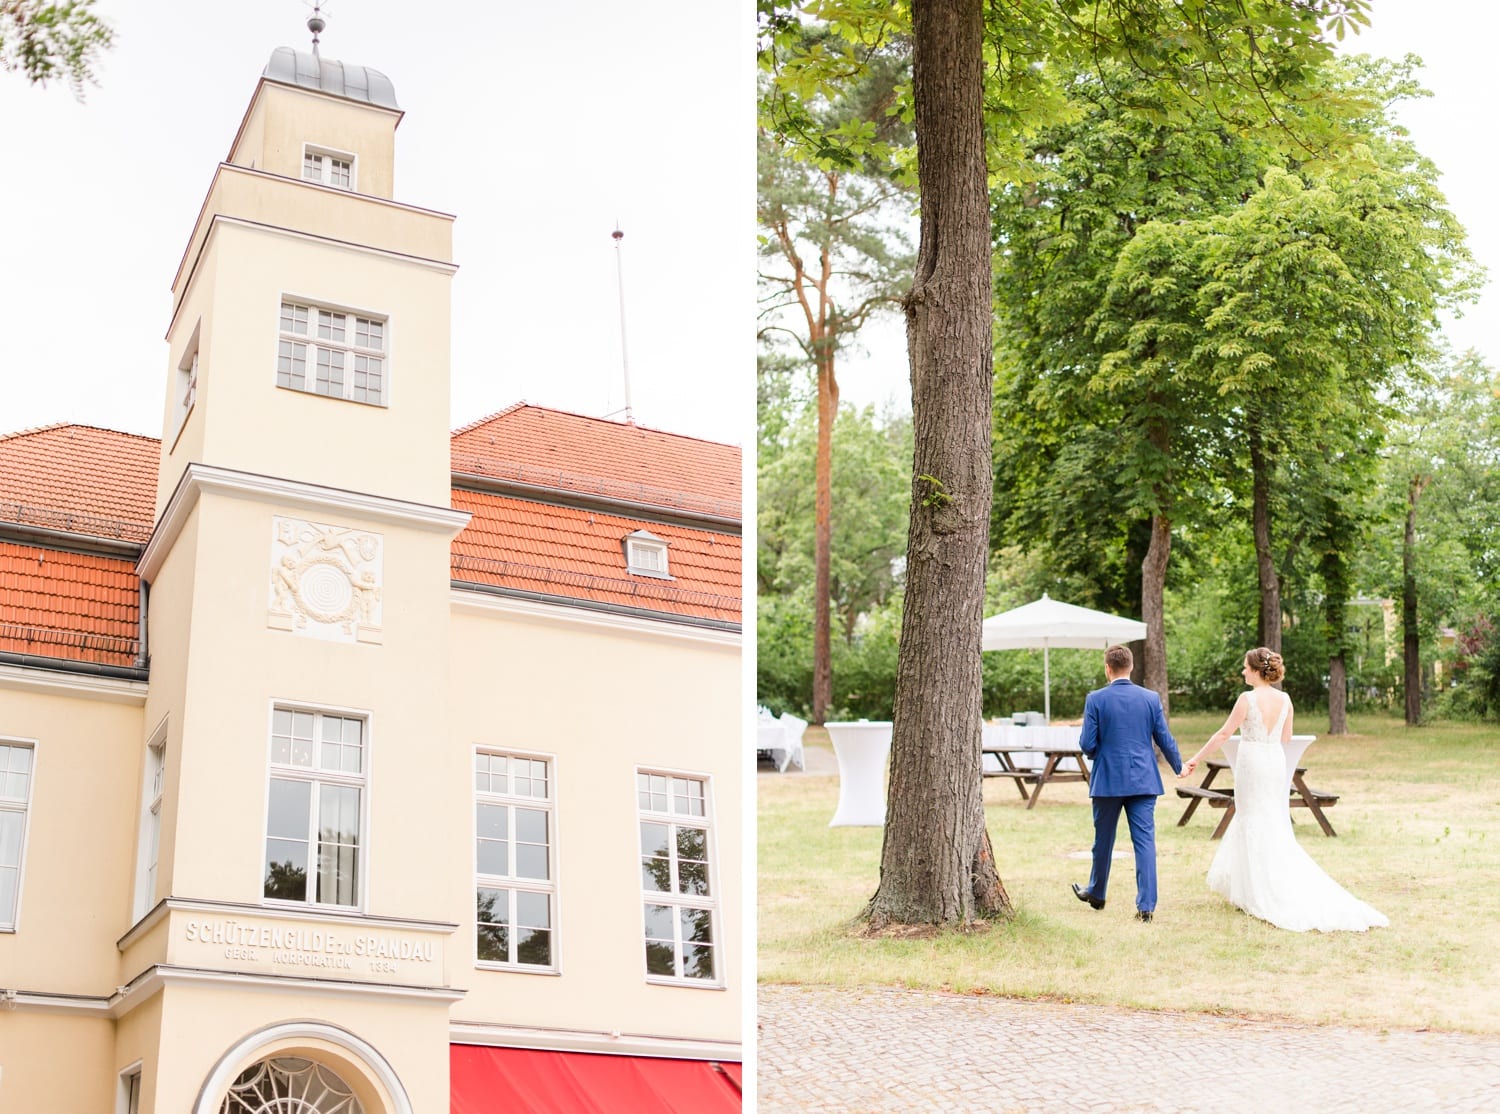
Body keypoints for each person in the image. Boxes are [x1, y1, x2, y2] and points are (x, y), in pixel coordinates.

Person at [1179, 647, 1388, 933]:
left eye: (1245, 668)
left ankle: (1258, 890)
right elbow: (1286, 738)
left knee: (1251, 818)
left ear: (1256, 670)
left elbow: (1224, 734)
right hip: (1273, 762)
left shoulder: (1247, 699)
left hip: (1252, 761)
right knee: (1269, 819)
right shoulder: (1285, 699)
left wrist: (1194, 759)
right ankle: (1257, 886)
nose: (1242, 672)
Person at [1072, 644, 1182, 923]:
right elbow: (1164, 738)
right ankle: (1146, 906)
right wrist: (1178, 766)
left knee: (1103, 840)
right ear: (1131, 667)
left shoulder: (1095, 699)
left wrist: (1100, 755)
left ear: (1108, 668)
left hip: (1108, 779)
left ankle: (1097, 893)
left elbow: (1086, 744)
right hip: (1144, 779)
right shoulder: (1150, 698)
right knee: (1144, 842)